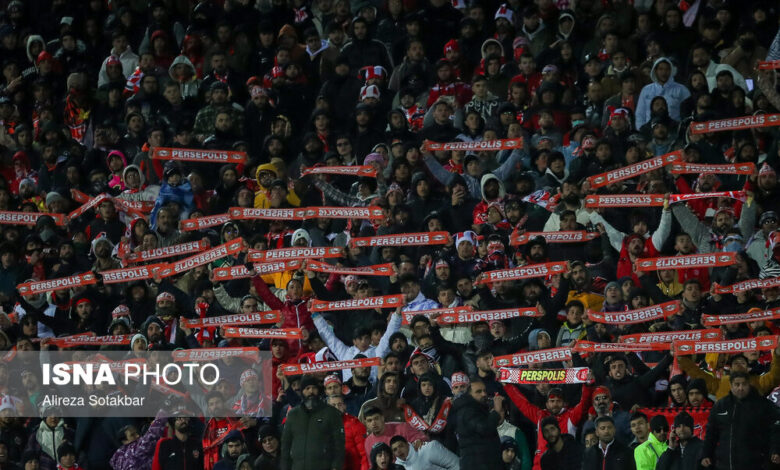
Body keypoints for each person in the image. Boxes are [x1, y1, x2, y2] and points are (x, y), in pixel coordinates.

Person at [701, 371, 780, 470]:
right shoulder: (720, 406)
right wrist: (705, 454)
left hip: (756, 464)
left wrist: (775, 450)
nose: (741, 388)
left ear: (749, 384)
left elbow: (776, 429)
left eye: (744, 384)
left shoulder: (763, 405)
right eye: (737, 384)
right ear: (730, 385)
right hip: (725, 464)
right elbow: (711, 433)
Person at [280, 376, 345, 470]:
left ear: (319, 390)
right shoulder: (293, 415)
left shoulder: (331, 413)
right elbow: (286, 444)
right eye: (307, 388)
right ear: (302, 391)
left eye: (314, 388)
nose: (311, 391)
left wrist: (336, 467)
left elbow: (339, 445)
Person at [452, 377, 503, 469]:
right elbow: (484, 428)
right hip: (477, 464)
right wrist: (496, 412)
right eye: (478, 391)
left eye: (484, 390)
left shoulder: (477, 408)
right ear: (469, 394)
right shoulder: (467, 410)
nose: (484, 394)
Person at [390, 435, 459, 470]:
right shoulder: (397, 467)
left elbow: (456, 465)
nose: (399, 451)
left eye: (401, 446)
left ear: (407, 444)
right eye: (395, 449)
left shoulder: (428, 449)